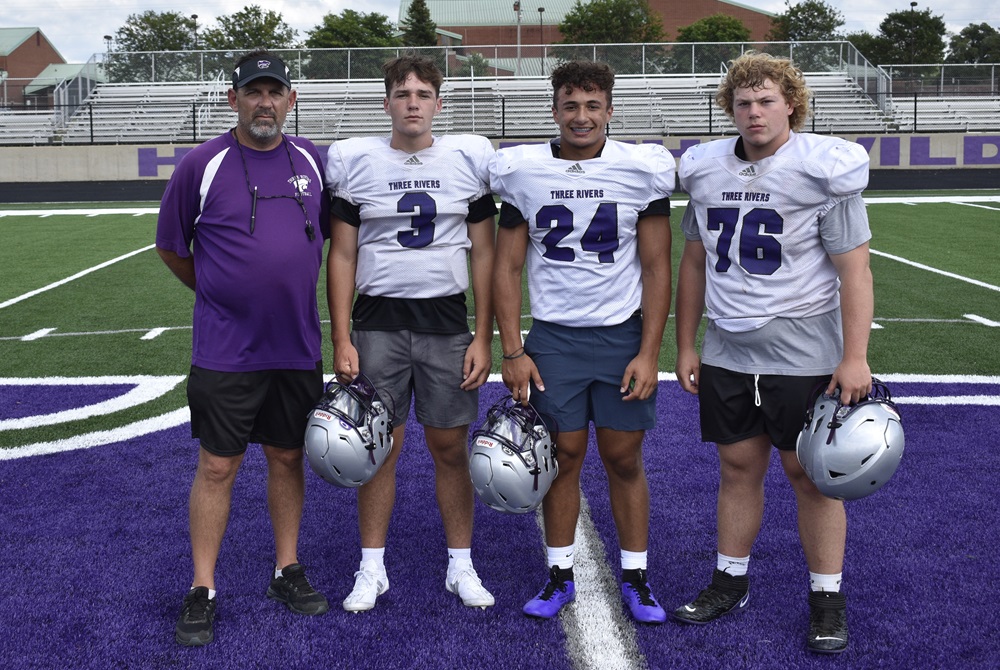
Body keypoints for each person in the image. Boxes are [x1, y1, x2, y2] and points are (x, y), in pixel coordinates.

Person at [671, 51, 873, 655]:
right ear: (728, 109)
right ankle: (730, 580)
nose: (754, 112)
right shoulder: (706, 169)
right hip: (729, 347)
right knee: (737, 468)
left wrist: (855, 354)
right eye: (742, 102)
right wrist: (685, 343)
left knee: (810, 476)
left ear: (791, 103)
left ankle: (827, 595)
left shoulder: (822, 168)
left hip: (804, 346)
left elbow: (855, 272)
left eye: (766, 100)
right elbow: (694, 262)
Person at [156, 49, 330, 647]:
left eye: (274, 92)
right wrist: (218, 294)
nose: (264, 103)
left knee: (286, 457)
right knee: (217, 465)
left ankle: (287, 569)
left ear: (291, 99)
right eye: (253, 92)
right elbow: (172, 247)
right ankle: (202, 587)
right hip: (225, 350)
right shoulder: (201, 165)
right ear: (233, 100)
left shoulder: (313, 160)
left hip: (297, 346)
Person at [490, 61, 674, 624]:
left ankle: (637, 577)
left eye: (593, 106)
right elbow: (507, 265)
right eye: (570, 105)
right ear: (554, 111)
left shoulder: (640, 170)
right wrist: (514, 348)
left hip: (620, 335)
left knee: (623, 458)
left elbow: (657, 265)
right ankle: (559, 573)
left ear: (610, 111)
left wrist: (649, 351)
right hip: (554, 340)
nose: (581, 116)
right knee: (562, 458)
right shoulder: (523, 171)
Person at [325, 55, 496, 612]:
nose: (413, 103)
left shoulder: (466, 160)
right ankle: (371, 568)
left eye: (424, 94)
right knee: (379, 449)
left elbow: (485, 254)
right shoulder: (357, 162)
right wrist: (342, 337)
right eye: (403, 94)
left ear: (439, 104)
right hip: (377, 322)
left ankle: (461, 564)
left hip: (446, 322)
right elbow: (343, 254)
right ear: (387, 103)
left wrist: (484, 334)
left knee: (450, 447)